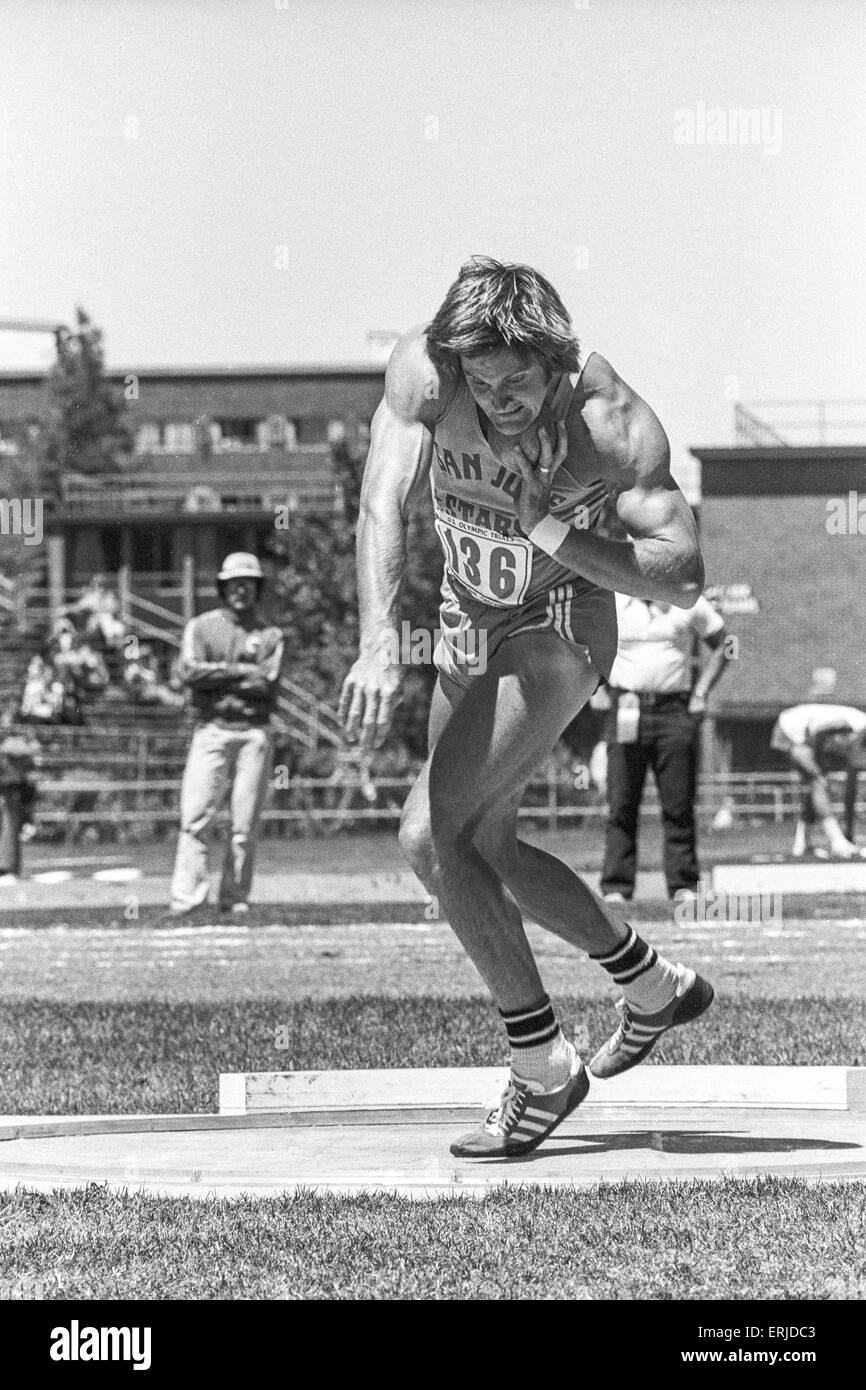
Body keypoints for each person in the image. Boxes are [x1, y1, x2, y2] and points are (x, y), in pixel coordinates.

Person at [339, 256, 715, 1159]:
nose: (499, 398)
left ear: (557, 361)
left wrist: (548, 526)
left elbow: (683, 574)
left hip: (557, 622)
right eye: (483, 380)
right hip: (466, 623)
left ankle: (542, 1066)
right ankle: (651, 983)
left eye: (519, 381)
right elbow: (380, 499)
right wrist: (378, 638)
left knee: (430, 836)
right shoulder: (424, 372)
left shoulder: (608, 424)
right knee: (486, 847)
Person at [168, 553, 285, 916]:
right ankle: (188, 898)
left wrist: (216, 676)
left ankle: (235, 897)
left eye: (248, 583)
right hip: (212, 729)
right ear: (222, 587)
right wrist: (239, 673)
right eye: (234, 583)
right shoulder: (201, 627)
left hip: (254, 732)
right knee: (195, 817)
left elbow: (267, 682)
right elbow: (189, 672)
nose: (241, 589)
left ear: (257, 588)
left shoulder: (270, 634)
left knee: (244, 822)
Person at [599, 587, 730, 904]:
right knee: (621, 802)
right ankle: (617, 888)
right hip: (626, 708)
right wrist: (598, 687)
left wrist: (701, 692)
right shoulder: (611, 601)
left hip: (674, 712)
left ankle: (684, 886)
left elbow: (729, 646)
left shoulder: (686, 602)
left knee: (678, 804)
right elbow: (582, 640)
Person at [770, 702, 866, 858]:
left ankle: (802, 845)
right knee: (817, 782)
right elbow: (817, 730)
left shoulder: (856, 734)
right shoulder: (857, 726)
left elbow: (851, 789)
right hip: (789, 729)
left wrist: (850, 833)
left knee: (817, 784)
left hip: (811, 737)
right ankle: (837, 842)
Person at [0, 723, 39, 884]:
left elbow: (29, 781)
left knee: (11, 829)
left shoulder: (21, 753)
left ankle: (9, 866)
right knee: (9, 829)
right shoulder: (11, 752)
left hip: (14, 794)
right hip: (9, 793)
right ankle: (9, 865)